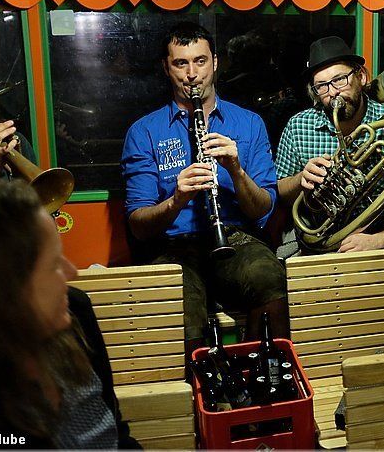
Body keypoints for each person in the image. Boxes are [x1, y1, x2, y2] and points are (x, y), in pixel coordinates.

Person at [121, 22, 287, 354]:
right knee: (178, 302)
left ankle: (257, 371)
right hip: (174, 245)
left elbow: (263, 210)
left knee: (270, 276)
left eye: (200, 61)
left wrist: (236, 170)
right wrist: (176, 200)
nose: (192, 74)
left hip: (235, 237)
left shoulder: (248, 123)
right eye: (180, 63)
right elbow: (138, 226)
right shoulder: (144, 132)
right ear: (166, 68)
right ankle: (200, 382)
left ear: (215, 62)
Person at [0, 180, 140, 449]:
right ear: (9, 288)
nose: (72, 272)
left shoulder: (75, 311)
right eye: (53, 265)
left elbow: (117, 431)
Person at [275, 36, 384, 253]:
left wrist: (381, 239)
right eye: (322, 86)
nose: (333, 92)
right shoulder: (299, 126)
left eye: (340, 79)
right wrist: (301, 179)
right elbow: (280, 192)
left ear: (361, 76)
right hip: (317, 245)